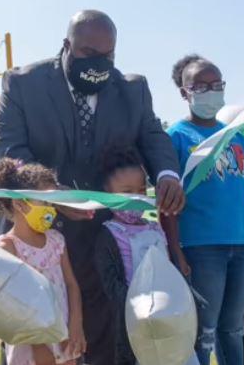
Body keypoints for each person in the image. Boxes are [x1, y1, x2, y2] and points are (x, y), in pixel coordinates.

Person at [0, 9, 184, 365]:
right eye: (87, 55)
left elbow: (152, 136)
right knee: (36, 341)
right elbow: (9, 150)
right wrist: (58, 195)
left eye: (107, 57)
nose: (98, 64)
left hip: (102, 239)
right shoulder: (22, 84)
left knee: (102, 335)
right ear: (66, 46)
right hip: (35, 237)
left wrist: (168, 176)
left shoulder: (133, 89)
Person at [166, 54, 244, 365]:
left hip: (242, 247)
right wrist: (176, 250)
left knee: (233, 329)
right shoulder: (175, 137)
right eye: (200, 86)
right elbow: (167, 203)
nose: (210, 91)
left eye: (216, 85)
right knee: (204, 331)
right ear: (184, 92)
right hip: (201, 249)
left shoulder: (234, 134)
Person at [0, 159, 86, 365]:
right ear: (20, 204)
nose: (51, 209)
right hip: (30, 343)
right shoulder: (7, 247)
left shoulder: (56, 240)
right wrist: (38, 344)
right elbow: (13, 306)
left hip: (64, 336)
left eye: (52, 203)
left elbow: (71, 285)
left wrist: (76, 326)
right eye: (45, 202)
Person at [93, 146, 189, 365]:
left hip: (167, 320)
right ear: (108, 194)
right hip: (135, 324)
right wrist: (138, 312)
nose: (137, 197)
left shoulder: (154, 227)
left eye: (141, 190)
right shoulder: (109, 234)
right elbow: (112, 284)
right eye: (127, 192)